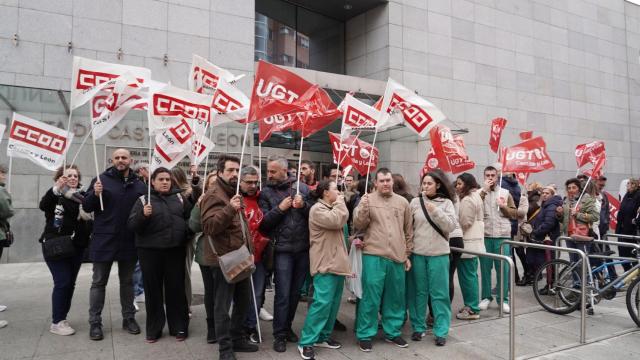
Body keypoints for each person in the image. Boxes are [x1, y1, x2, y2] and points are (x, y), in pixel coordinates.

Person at [83, 149, 146, 340]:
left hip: (129, 240)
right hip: (104, 239)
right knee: (98, 282)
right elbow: (87, 206)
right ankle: (95, 322)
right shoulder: (101, 180)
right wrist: (95, 194)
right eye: (117, 158)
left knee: (127, 282)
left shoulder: (139, 184)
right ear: (112, 160)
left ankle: (129, 318)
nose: (120, 160)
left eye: (124, 157)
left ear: (130, 160)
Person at [201, 155, 259, 360]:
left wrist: (250, 251)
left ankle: (237, 338)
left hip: (241, 257)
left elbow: (243, 227)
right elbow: (209, 227)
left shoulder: (235, 193)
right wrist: (229, 209)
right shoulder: (214, 195)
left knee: (243, 301)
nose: (235, 174)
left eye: (237, 170)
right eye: (230, 170)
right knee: (222, 305)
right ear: (220, 172)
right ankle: (225, 348)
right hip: (224, 260)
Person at [127, 167, 191, 342]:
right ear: (152, 181)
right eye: (161, 179)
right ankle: (154, 329)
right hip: (149, 252)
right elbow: (132, 225)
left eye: (167, 179)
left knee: (176, 290)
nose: (165, 182)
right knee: (153, 291)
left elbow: (190, 220)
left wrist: (184, 233)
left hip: (174, 251)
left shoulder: (179, 198)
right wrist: (143, 215)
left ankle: (179, 327)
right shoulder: (143, 200)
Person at [353, 168, 413, 352]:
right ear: (375, 183)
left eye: (388, 180)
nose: (386, 183)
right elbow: (358, 224)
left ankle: (393, 332)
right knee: (370, 297)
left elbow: (408, 230)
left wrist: (407, 254)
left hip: (397, 256)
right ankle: (365, 334)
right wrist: (362, 207)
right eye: (382, 180)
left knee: (395, 298)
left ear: (392, 182)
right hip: (373, 255)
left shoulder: (403, 202)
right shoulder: (367, 200)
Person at [259, 156, 311, 352]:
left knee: (295, 293)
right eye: (268, 171)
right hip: (281, 251)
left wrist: (304, 206)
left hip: (302, 249)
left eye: (273, 171)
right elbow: (263, 223)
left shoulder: (303, 189)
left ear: (285, 170)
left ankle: (287, 327)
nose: (269, 174)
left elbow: (315, 214)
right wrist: (279, 210)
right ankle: (279, 334)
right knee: (282, 294)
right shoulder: (265, 193)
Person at [297, 180, 350, 360]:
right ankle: (306, 342)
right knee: (321, 304)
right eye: (335, 189)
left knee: (333, 305)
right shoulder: (318, 210)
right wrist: (341, 202)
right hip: (325, 263)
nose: (339, 192)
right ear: (326, 193)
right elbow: (336, 221)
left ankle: (322, 336)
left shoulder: (332, 207)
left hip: (338, 263)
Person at [39, 165, 92, 336]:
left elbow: (89, 219)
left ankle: (62, 317)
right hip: (57, 245)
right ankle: (57, 322)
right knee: (62, 282)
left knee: (70, 283)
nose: (72, 178)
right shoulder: (56, 195)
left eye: (75, 175)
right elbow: (43, 205)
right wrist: (56, 189)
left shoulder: (83, 198)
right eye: (68, 175)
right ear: (60, 178)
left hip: (76, 247)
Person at [407, 171, 457, 346]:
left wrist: (435, 211)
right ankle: (418, 327)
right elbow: (409, 228)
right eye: (424, 183)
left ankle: (441, 330)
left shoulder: (447, 203)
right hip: (418, 253)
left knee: (439, 294)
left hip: (439, 254)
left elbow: (450, 226)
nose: (425, 186)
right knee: (418, 293)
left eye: (429, 183)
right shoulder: (414, 202)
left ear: (438, 185)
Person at [239, 166, 271, 343]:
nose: (252, 185)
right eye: (248, 182)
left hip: (259, 256)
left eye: (255, 182)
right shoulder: (235, 199)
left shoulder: (262, 199)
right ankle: (240, 326)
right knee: (240, 295)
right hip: (239, 256)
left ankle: (251, 326)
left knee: (257, 293)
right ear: (241, 182)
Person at [479, 166, 517, 313]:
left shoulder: (505, 193)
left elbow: (514, 213)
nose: (490, 178)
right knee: (485, 268)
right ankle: (486, 297)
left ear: (497, 176)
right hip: (486, 235)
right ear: (484, 177)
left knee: (503, 269)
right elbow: (474, 208)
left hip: (502, 235)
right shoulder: (479, 193)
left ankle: (503, 299)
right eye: (487, 175)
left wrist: (504, 207)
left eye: (493, 175)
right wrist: (483, 191)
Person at [188, 171, 218, 344]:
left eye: (217, 183)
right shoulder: (202, 202)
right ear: (206, 187)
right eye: (211, 184)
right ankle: (212, 327)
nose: (214, 187)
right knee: (211, 291)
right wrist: (199, 207)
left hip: (228, 253)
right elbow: (193, 226)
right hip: (207, 252)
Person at [453, 173, 484, 321]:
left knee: (467, 277)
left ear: (467, 184)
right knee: (471, 276)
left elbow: (464, 223)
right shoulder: (475, 196)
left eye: (459, 184)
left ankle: (471, 308)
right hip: (474, 243)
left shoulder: (467, 200)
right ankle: (472, 305)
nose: (457, 186)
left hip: (467, 243)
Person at [171, 167, 201, 316]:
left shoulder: (189, 193)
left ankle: (186, 304)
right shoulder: (167, 193)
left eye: (169, 177)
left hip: (186, 239)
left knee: (184, 272)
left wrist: (195, 179)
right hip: (169, 239)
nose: (166, 181)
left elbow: (197, 195)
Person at [558, 178, 599, 265]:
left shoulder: (586, 198)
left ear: (579, 188)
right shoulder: (567, 199)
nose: (571, 190)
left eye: (574, 187)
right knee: (573, 262)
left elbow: (595, 217)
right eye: (569, 188)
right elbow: (564, 219)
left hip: (581, 234)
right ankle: (576, 279)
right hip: (569, 235)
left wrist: (578, 214)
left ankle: (585, 279)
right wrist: (559, 214)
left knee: (582, 262)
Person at [501, 173, 529, 287]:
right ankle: (515, 277)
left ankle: (528, 273)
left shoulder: (522, 198)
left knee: (520, 253)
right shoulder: (506, 197)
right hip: (510, 227)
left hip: (518, 228)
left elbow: (522, 212)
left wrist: (510, 210)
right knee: (510, 253)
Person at [616, 178, 640, 271]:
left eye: (629, 183)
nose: (627, 185)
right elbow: (622, 210)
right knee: (622, 256)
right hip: (622, 230)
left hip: (632, 232)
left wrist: (634, 221)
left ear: (634, 185)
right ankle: (629, 274)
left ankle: (635, 278)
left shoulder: (638, 196)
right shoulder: (627, 195)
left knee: (633, 256)